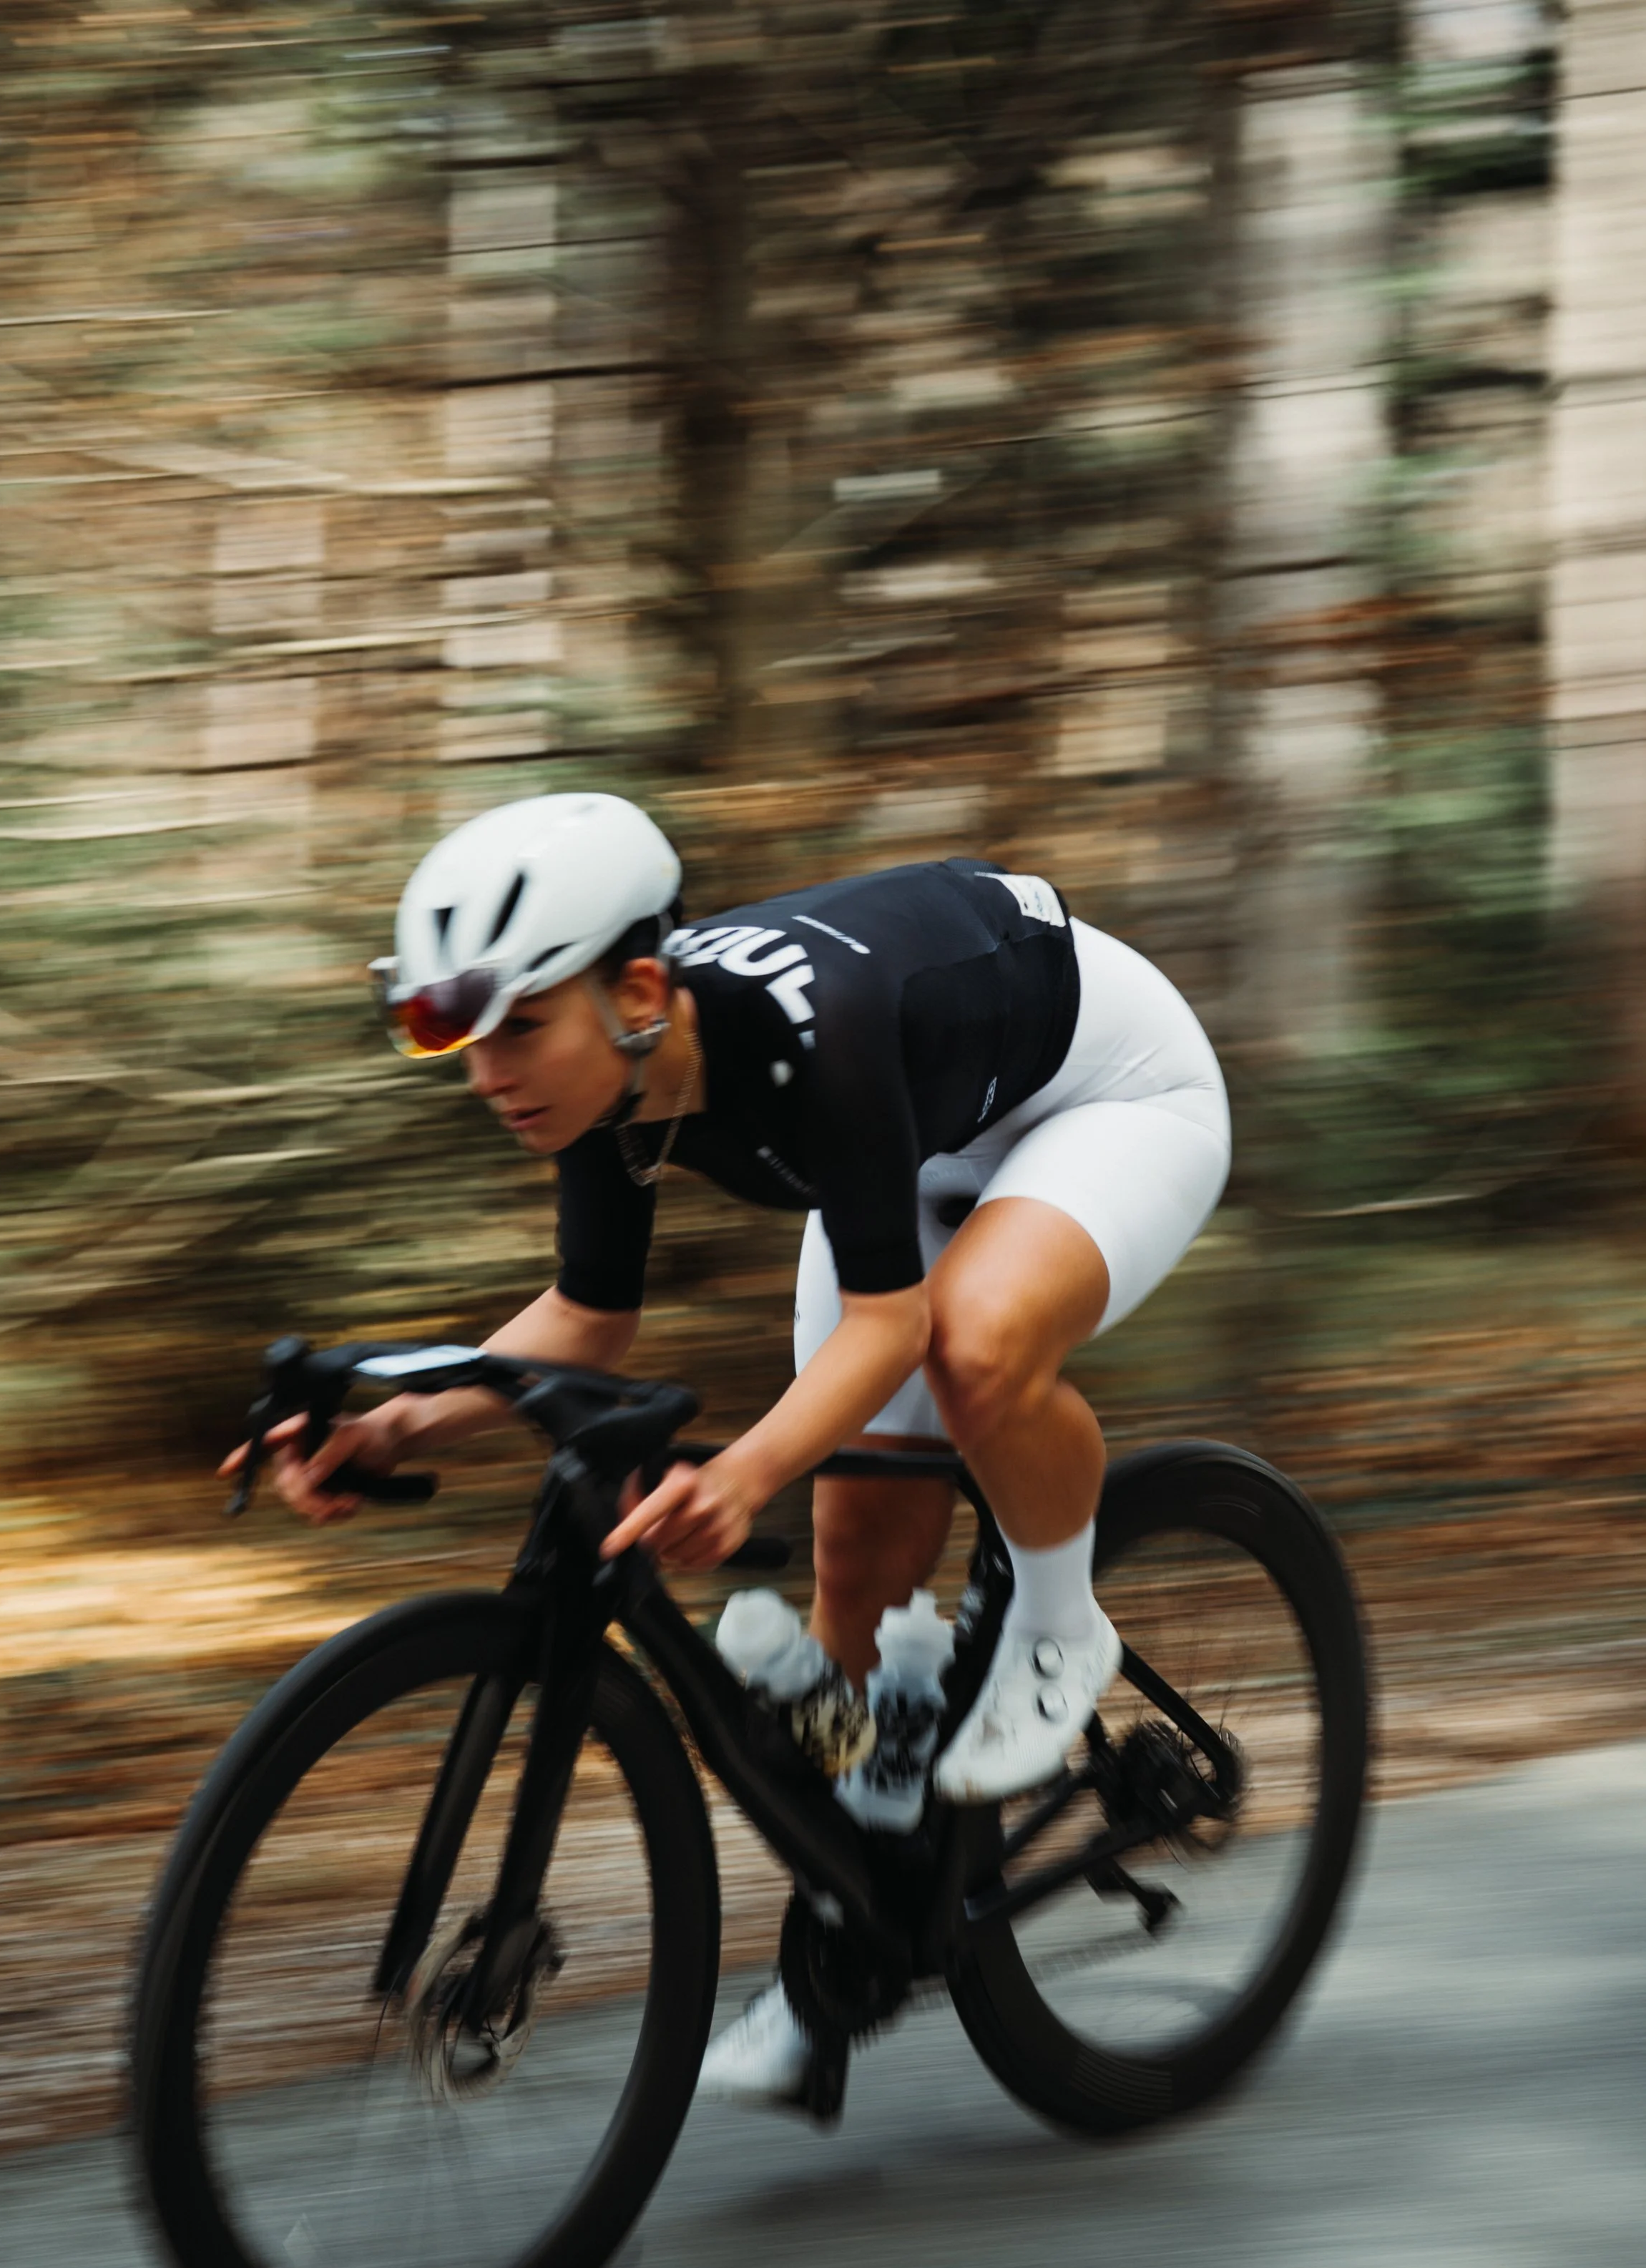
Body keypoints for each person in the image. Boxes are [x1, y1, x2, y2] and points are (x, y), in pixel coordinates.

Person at [238, 791, 1230, 2115]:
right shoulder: (610, 1085)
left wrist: (746, 1471)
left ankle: (1059, 1623)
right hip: (919, 1145)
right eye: (461, 1039)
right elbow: (588, 1315)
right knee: (855, 1586)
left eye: (519, 1026)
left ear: (637, 987)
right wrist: (393, 1420)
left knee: (975, 1350)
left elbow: (891, 1326)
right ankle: (850, 1963)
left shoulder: (817, 1034)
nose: (489, 1072)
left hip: (1107, 1094)